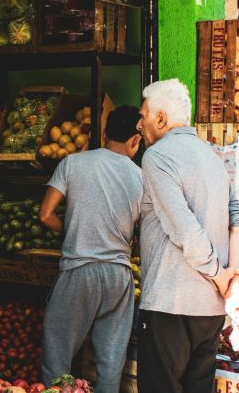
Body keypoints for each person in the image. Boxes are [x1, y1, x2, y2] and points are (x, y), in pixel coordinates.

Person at [136, 79, 239, 393]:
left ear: (160, 119)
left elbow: (183, 228)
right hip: (210, 310)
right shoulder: (212, 156)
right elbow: (238, 218)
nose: (139, 123)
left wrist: (220, 275)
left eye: (143, 115)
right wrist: (233, 277)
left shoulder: (157, 157)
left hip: (171, 305)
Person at [38, 106, 144, 392]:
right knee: (111, 359)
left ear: (104, 133)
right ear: (136, 140)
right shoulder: (140, 177)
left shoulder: (72, 163)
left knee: (58, 352)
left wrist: (73, 229)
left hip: (79, 272)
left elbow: (46, 215)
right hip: (119, 277)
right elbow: (143, 234)